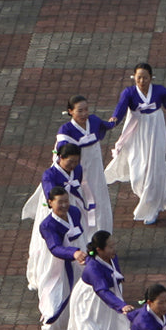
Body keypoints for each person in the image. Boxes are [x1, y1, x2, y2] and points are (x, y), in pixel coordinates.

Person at [104, 63, 166, 225]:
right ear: (134, 78)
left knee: (153, 166)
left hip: (155, 130)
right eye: (138, 77)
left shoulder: (159, 90)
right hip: (136, 132)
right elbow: (120, 108)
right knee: (137, 170)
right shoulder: (129, 92)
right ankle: (147, 196)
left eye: (145, 77)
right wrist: (114, 119)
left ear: (151, 78)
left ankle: (152, 207)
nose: (142, 81)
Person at [24, 143, 92, 293]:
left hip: (71, 204)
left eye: (76, 161)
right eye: (70, 161)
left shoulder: (77, 170)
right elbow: (50, 192)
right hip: (54, 208)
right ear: (61, 157)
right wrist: (58, 207)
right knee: (49, 243)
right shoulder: (49, 175)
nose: (74, 165)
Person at [33, 187, 87, 330]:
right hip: (56, 266)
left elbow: (83, 235)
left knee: (78, 296)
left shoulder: (75, 213)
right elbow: (55, 247)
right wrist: (73, 253)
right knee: (55, 300)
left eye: (66, 201)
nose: (64, 205)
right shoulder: (47, 225)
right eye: (60, 202)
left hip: (79, 262)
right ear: (50, 203)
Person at [56, 95, 117, 235]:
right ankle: (85, 237)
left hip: (96, 173)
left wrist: (113, 121)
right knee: (82, 204)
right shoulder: (66, 130)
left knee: (100, 202)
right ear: (70, 111)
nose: (84, 114)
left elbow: (106, 125)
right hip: (79, 174)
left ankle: (102, 235)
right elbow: (62, 148)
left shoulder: (94, 121)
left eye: (86, 110)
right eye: (80, 111)